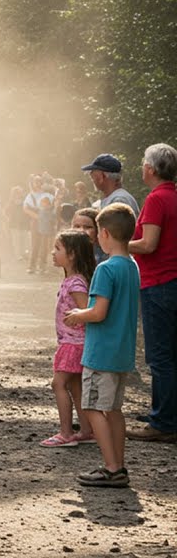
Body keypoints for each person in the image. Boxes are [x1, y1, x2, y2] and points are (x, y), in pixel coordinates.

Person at [64, 203, 140, 487]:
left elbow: (98, 312)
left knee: (94, 409)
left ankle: (111, 468)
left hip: (101, 353)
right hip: (121, 352)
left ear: (104, 233)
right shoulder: (132, 266)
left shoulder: (106, 269)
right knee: (114, 410)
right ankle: (119, 464)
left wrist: (76, 315)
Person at [125, 143, 177, 443]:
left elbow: (149, 244)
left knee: (159, 357)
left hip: (159, 283)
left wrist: (117, 245)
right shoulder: (173, 195)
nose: (142, 166)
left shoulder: (157, 199)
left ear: (152, 169)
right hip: (172, 280)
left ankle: (163, 422)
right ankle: (166, 412)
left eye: (144, 162)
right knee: (171, 354)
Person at [40, 230, 95, 447]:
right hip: (71, 342)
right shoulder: (71, 280)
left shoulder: (75, 284)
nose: (53, 253)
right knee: (74, 386)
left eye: (58, 248)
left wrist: (78, 318)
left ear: (72, 254)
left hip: (73, 344)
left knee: (58, 383)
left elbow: (88, 311)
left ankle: (66, 433)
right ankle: (86, 430)